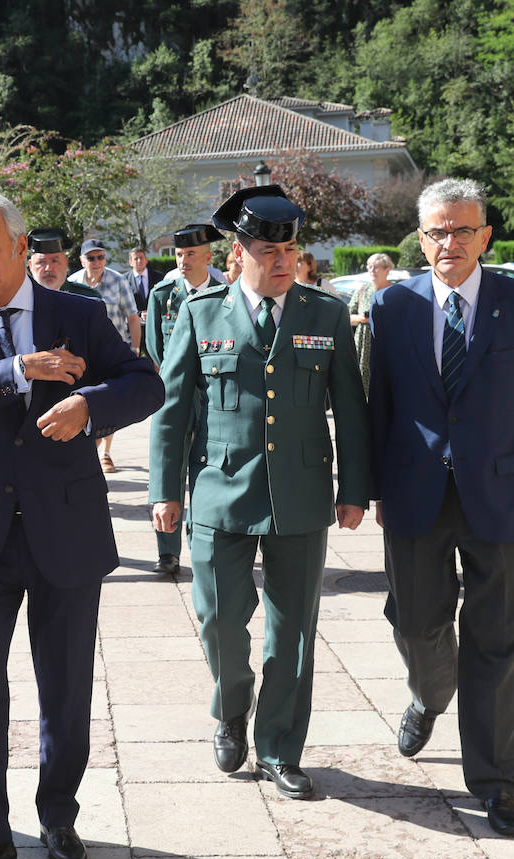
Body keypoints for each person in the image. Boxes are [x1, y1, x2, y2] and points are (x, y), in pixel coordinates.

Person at [0, 191, 164, 859]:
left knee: (64, 686)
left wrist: (91, 406)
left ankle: (58, 817)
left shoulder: (81, 314)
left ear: (22, 244)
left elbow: (144, 383)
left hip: (65, 528)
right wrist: (19, 371)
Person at [149, 185, 370, 801]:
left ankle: (278, 748)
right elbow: (171, 411)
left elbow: (351, 408)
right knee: (220, 622)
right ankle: (230, 711)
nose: (283, 261)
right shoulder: (200, 312)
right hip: (220, 492)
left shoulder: (324, 312)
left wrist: (355, 488)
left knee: (293, 631)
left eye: (291, 249)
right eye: (270, 250)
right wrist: (166, 491)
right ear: (239, 252)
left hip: (300, 496)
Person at [368, 178, 514, 836]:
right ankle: (428, 694)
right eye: (435, 232)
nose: (447, 242)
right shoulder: (392, 306)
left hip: (503, 498)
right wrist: (362, 488)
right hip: (414, 495)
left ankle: (496, 783)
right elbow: (378, 407)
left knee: (495, 644)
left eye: (460, 230)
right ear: (420, 239)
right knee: (415, 623)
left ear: (484, 235)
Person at [144, 222, 225, 577]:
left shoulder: (227, 293)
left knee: (212, 467)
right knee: (170, 466)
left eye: (191, 253)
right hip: (175, 394)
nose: (183, 260)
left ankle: (209, 539)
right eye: (178, 254)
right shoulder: (163, 294)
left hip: (212, 394)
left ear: (208, 256)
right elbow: (153, 346)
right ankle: (168, 550)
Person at [68, 239, 140, 472]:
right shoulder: (72, 283)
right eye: (91, 258)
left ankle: (105, 452)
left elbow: (132, 316)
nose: (97, 262)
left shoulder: (118, 281)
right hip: (80, 353)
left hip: (112, 351)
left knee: (107, 400)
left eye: (101, 257)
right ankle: (87, 449)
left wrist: (135, 348)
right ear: (81, 260)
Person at [346, 252, 395, 395]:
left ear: (387, 269)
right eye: (369, 266)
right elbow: (347, 316)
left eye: (376, 267)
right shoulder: (362, 290)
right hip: (363, 343)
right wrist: (361, 318)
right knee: (361, 384)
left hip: (387, 343)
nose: (372, 270)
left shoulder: (395, 291)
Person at [26, 228, 99, 298]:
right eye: (41, 262)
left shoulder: (88, 297)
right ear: (31, 266)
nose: (48, 268)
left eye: (55, 261)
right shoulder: (20, 298)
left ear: (66, 263)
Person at [126, 245, 165, 315]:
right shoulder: (124, 280)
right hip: (134, 322)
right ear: (130, 262)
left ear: (146, 260)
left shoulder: (159, 277)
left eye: (141, 258)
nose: (139, 261)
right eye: (135, 259)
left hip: (155, 319)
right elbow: (124, 304)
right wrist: (140, 314)